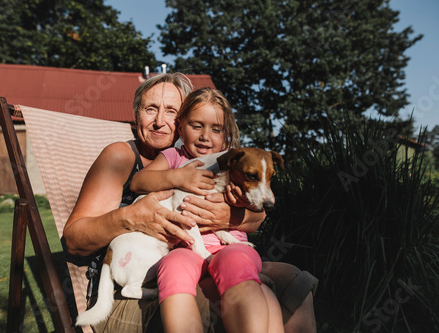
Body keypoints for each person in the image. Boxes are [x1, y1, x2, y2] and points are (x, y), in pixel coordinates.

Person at [63, 72, 317, 332]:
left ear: (180, 119)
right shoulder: (122, 157)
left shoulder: (208, 161)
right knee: (248, 295)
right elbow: (73, 240)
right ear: (136, 113)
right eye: (150, 109)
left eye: (170, 111)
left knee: (295, 281)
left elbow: (256, 210)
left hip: (200, 253)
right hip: (138, 277)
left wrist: (231, 216)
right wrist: (131, 217)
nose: (159, 121)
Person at [130, 87, 284, 333]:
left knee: (234, 261)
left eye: (216, 129)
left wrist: (240, 206)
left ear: (227, 133)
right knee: (173, 265)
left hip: (230, 246)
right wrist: (177, 177)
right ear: (180, 127)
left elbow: (259, 211)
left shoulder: (235, 163)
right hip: (185, 248)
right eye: (196, 126)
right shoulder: (174, 157)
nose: (205, 136)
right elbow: (138, 182)